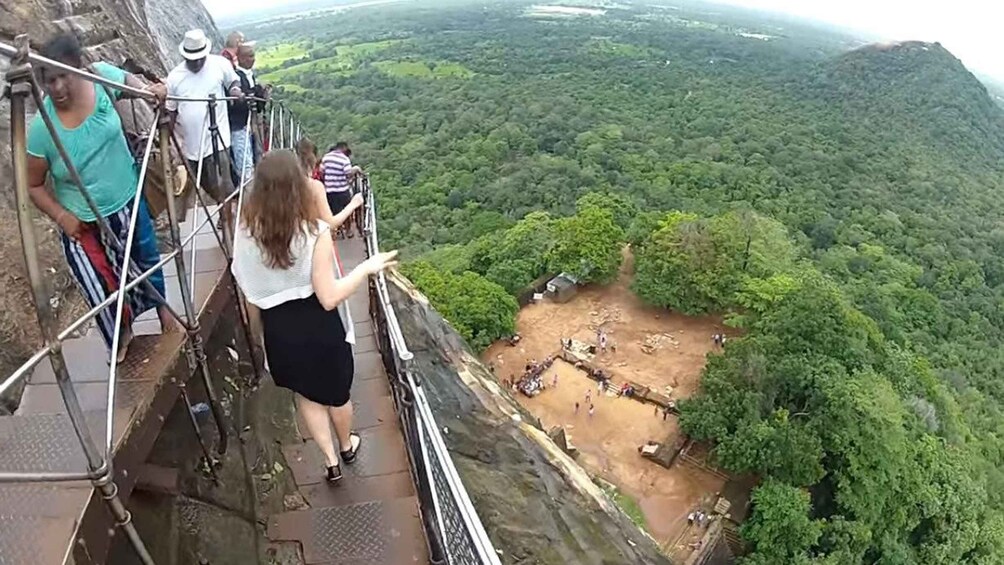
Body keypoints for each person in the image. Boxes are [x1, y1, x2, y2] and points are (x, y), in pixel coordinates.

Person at [232, 151, 397, 483]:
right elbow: (329, 296)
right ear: (298, 187)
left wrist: (256, 336)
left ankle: (330, 461)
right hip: (319, 327)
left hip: (278, 330)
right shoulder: (313, 233)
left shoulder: (246, 234)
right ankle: (347, 445)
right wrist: (366, 267)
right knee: (337, 395)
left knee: (307, 395)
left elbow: (249, 293)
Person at [26, 33, 173, 362]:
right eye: (50, 79)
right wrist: (61, 216)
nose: (59, 87)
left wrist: (154, 92)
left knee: (146, 259)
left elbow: (134, 85)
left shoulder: (101, 78)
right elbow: (33, 185)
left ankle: (165, 313)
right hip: (82, 222)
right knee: (99, 284)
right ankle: (122, 334)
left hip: (126, 200)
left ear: (79, 68)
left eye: (64, 75)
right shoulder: (42, 128)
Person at [166, 30, 244, 233]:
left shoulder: (219, 64)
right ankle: (224, 210)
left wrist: (235, 90)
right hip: (192, 146)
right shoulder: (175, 77)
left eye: (200, 59)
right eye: (192, 60)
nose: (197, 63)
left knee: (223, 186)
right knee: (206, 187)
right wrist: (165, 139)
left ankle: (227, 230)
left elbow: (233, 80)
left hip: (218, 140)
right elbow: (171, 110)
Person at [229, 42, 267, 188]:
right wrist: (256, 92)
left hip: (249, 125)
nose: (253, 59)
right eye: (250, 56)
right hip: (239, 126)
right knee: (244, 163)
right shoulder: (236, 77)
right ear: (241, 58)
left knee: (253, 158)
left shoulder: (248, 75)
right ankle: (247, 197)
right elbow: (239, 101)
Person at [320, 142, 362, 238]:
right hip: (342, 190)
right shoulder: (344, 159)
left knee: (332, 211)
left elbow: (322, 171)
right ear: (344, 149)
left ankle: (334, 231)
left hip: (329, 191)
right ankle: (348, 231)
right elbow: (348, 173)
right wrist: (355, 169)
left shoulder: (326, 157)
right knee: (346, 210)